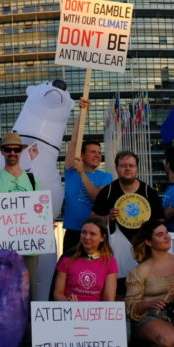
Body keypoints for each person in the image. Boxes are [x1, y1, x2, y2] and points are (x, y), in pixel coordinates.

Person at [0, 132, 41, 295]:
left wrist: (44, 224)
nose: (12, 153)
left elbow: (40, 210)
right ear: (2, 151)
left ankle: (29, 322)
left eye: (16, 149)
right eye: (8, 149)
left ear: (21, 151)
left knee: (28, 291)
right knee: (1, 291)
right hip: (0, 250)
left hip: (29, 248)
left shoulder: (32, 180)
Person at [61, 99, 113, 254]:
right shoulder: (71, 170)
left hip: (96, 233)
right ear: (82, 155)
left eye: (99, 153)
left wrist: (82, 174)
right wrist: (82, 113)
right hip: (73, 232)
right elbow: (74, 141)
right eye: (93, 152)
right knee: (70, 272)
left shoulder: (105, 177)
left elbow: (98, 198)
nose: (98, 155)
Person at [92, 150, 165, 245]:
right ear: (116, 168)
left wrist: (149, 227)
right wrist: (108, 218)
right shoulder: (107, 192)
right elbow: (93, 219)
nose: (127, 169)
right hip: (115, 248)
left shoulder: (149, 192)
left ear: (137, 168)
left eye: (131, 166)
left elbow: (160, 220)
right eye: (123, 166)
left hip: (144, 246)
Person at [51, 217, 117, 302]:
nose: (86, 237)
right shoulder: (67, 259)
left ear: (102, 238)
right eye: (84, 233)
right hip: (69, 311)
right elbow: (57, 293)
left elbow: (109, 300)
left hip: (96, 313)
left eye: (92, 234)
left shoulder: (110, 262)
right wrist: (67, 302)